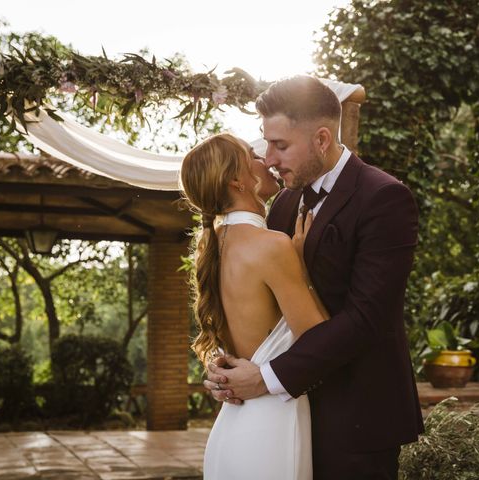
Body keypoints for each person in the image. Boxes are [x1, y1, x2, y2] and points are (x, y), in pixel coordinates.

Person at [205, 75, 425, 479]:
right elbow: (269, 305)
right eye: (266, 142)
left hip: (357, 419)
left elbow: (366, 320)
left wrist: (266, 378)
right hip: (286, 418)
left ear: (322, 139)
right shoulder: (285, 203)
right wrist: (229, 368)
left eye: (281, 145)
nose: (268, 158)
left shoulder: (385, 199)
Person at [179, 133, 328, 479]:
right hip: (272, 425)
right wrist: (302, 266)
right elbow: (318, 336)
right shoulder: (272, 246)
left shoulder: (213, 249)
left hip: (233, 427)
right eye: (253, 156)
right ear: (237, 180)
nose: (266, 161)